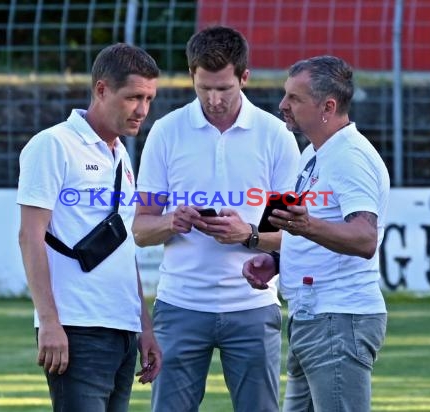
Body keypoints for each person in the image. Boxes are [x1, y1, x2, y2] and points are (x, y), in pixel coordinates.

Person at [133, 26, 301, 412]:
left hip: (253, 307)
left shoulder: (275, 136)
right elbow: (141, 229)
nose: (213, 99)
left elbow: (295, 235)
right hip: (179, 305)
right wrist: (172, 221)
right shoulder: (166, 132)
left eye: (224, 88)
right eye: (203, 87)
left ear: (244, 77)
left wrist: (249, 234)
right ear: (191, 76)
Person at [17, 43, 161, 412]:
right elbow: (30, 235)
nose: (142, 110)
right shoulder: (52, 144)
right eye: (133, 97)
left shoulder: (121, 154)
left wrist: (143, 326)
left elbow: (122, 244)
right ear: (101, 90)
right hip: (76, 326)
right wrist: (49, 322)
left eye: (149, 98)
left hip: (122, 328)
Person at [242, 55, 390, 411]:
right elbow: (296, 226)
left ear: (328, 106)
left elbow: (364, 238)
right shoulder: (312, 153)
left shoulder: (349, 157)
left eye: (294, 98)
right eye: (285, 95)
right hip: (311, 315)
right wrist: (277, 260)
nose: (282, 105)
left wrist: (307, 226)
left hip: (338, 319)